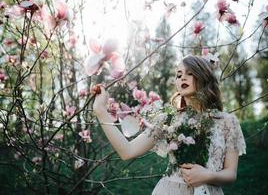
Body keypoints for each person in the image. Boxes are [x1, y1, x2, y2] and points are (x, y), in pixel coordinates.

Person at [93, 55, 246, 195]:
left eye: (189, 73)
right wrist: (101, 111)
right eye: (178, 75)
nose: (182, 78)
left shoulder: (227, 121)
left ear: (204, 76)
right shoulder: (168, 119)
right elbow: (127, 151)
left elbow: (231, 174)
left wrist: (207, 175)